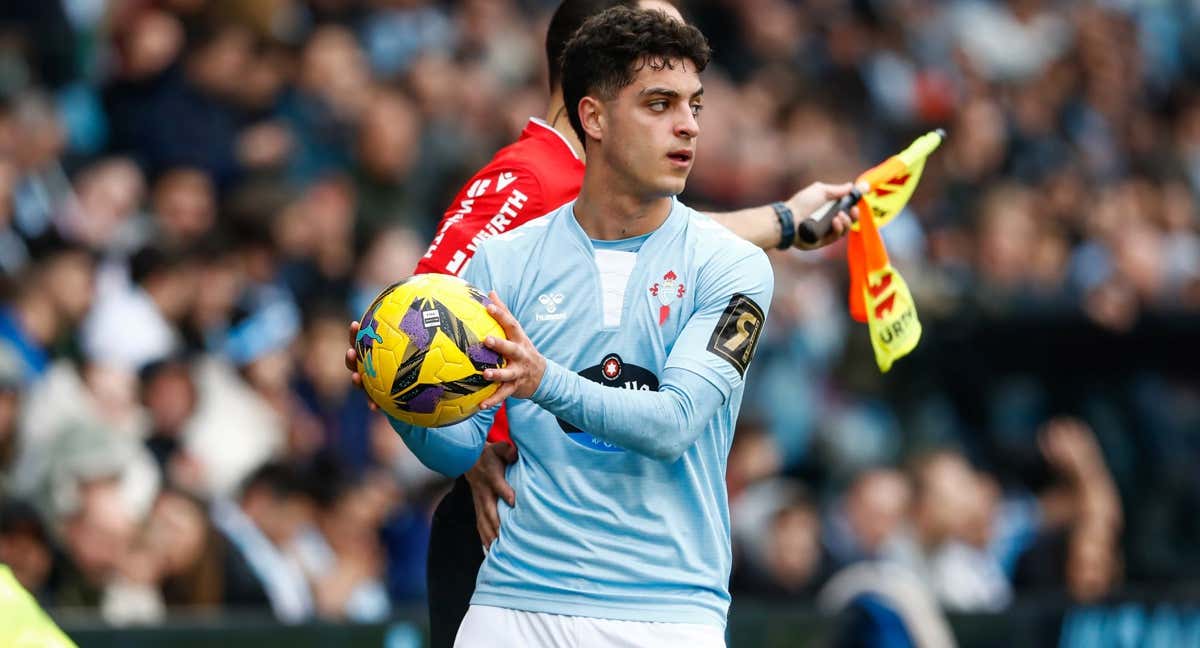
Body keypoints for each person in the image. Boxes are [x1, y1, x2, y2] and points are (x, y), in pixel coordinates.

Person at [349, 2, 856, 644]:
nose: (689, 127)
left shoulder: (691, 241)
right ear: (594, 87)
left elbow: (667, 257)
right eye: (658, 99)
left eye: (692, 104)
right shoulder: (524, 187)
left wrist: (784, 220)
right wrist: (413, 397)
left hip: (659, 597)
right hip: (509, 542)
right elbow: (424, 318)